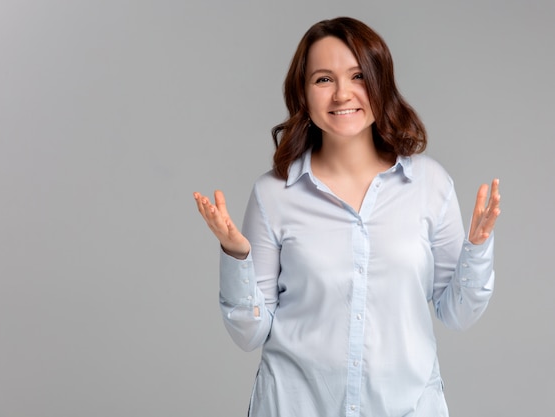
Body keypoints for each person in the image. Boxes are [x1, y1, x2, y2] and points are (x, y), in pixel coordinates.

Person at [193, 16, 500, 417]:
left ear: (380, 83)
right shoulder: (273, 194)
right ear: (303, 92)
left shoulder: (431, 185)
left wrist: (476, 250)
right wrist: (236, 255)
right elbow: (250, 333)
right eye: (323, 79)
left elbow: (455, 314)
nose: (342, 94)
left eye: (358, 76)